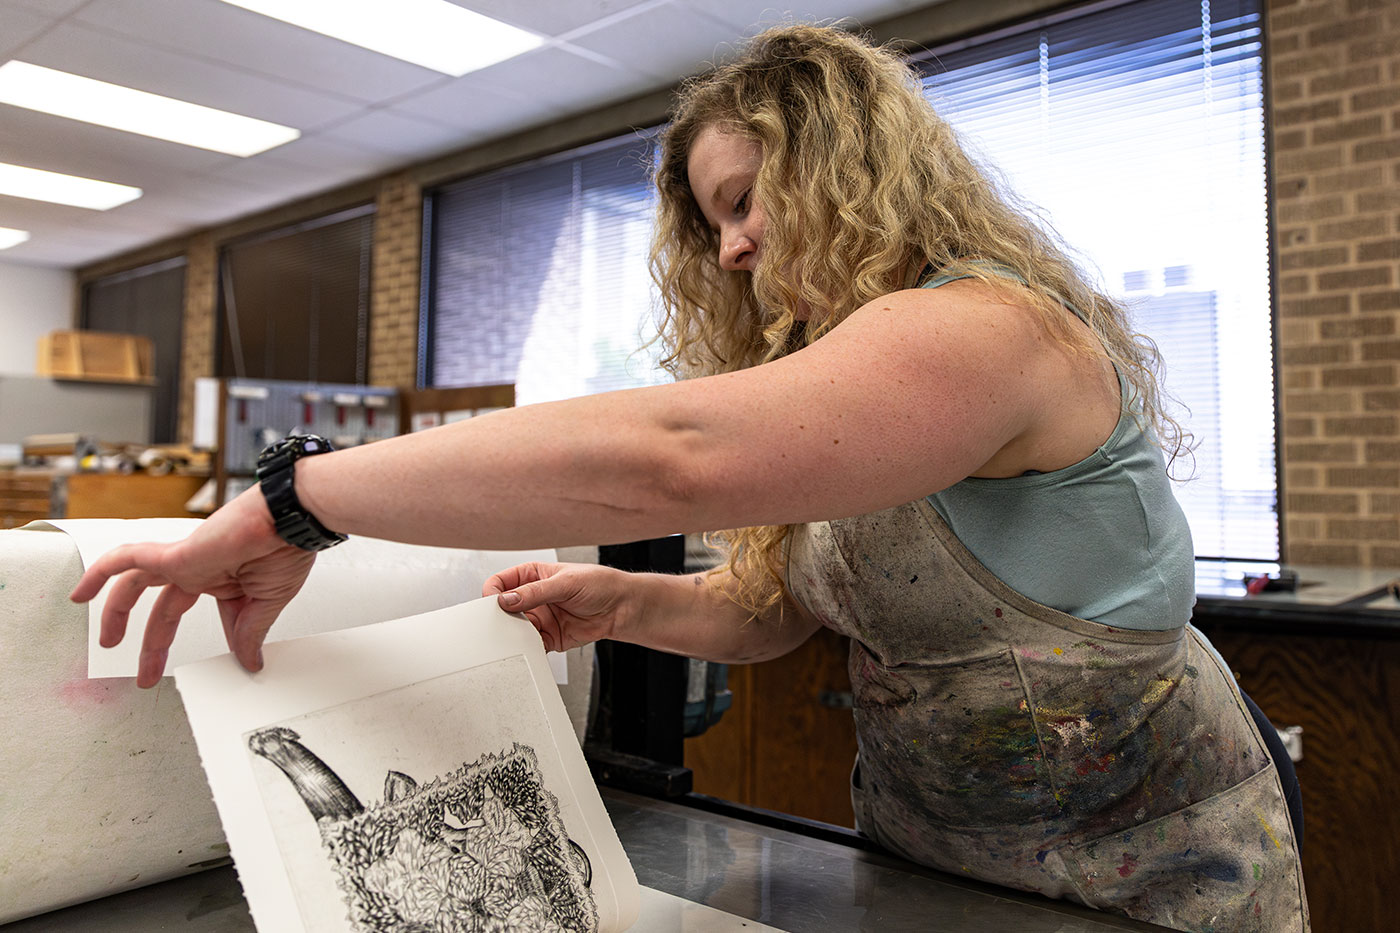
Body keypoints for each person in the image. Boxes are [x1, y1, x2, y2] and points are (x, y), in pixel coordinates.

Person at [70, 25, 1307, 932]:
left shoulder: (984, 331)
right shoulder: (850, 378)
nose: (732, 249)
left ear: (843, 165)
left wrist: (294, 500)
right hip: (940, 859)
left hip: (1145, 868)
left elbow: (672, 460)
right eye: (711, 224)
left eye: (744, 201)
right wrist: (632, 606)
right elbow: (779, 612)